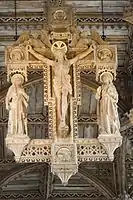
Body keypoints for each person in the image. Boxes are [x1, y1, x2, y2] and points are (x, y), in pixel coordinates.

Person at [27, 41, 95, 132]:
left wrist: (90, 50)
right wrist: (31, 51)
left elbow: (79, 57)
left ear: (63, 54)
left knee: (64, 99)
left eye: (61, 54)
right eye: (58, 54)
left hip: (66, 83)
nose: (59, 56)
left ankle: (63, 117)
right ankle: (60, 119)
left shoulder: (68, 63)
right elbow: (42, 58)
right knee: (58, 100)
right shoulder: (54, 64)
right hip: (57, 83)